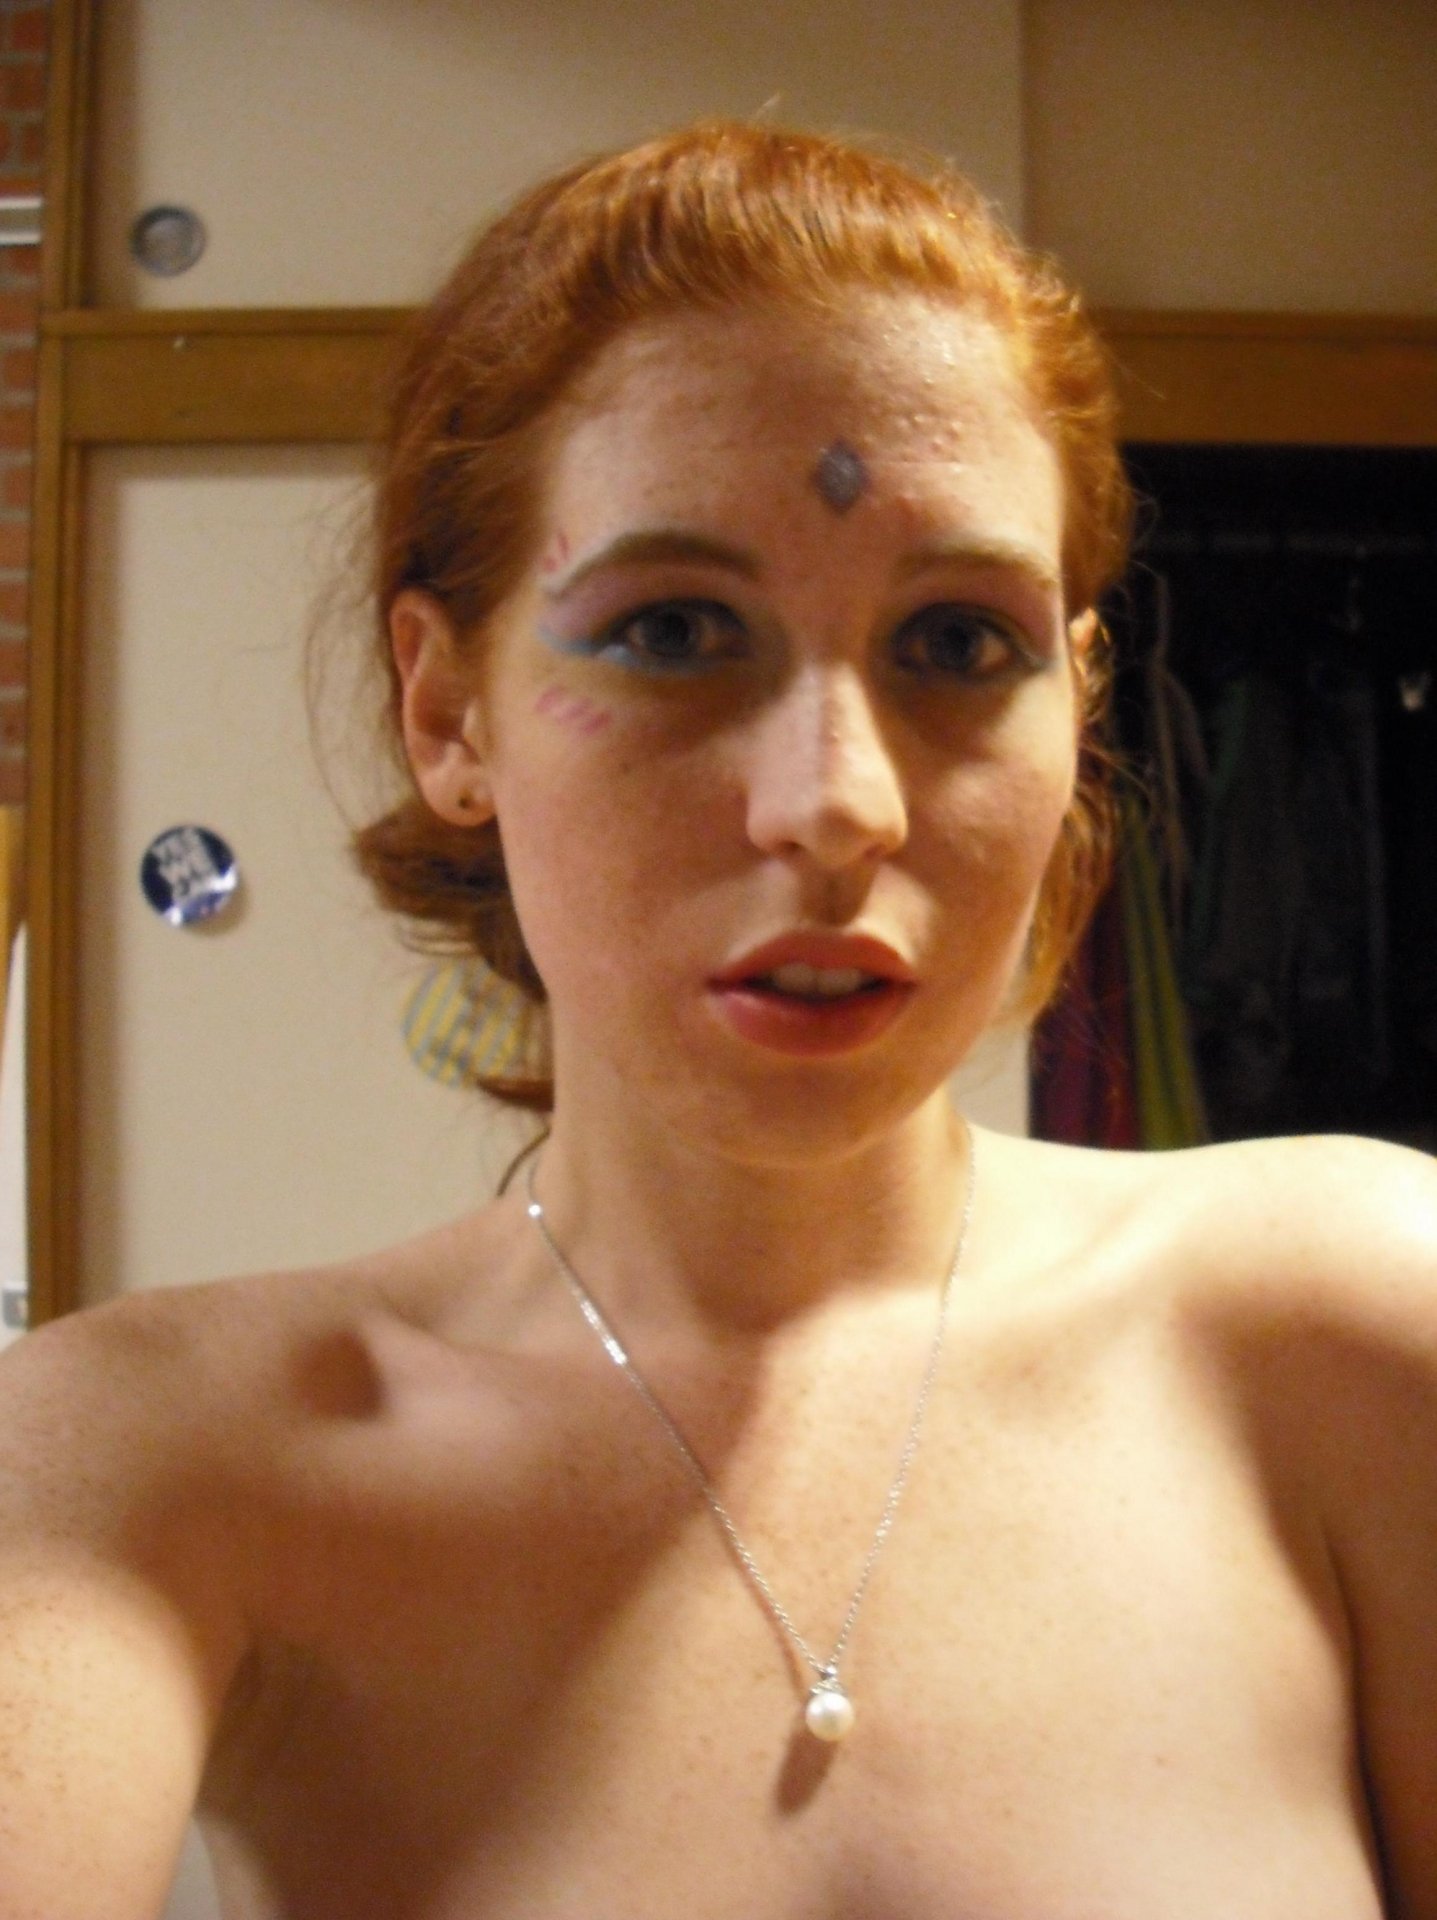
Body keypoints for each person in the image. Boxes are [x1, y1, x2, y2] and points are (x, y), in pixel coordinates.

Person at [1, 120, 1434, 1920]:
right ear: (447, 712)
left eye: (956, 644)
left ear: (1075, 705)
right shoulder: (141, 1466)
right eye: (676, 632)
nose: (834, 806)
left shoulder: (1358, 1330)